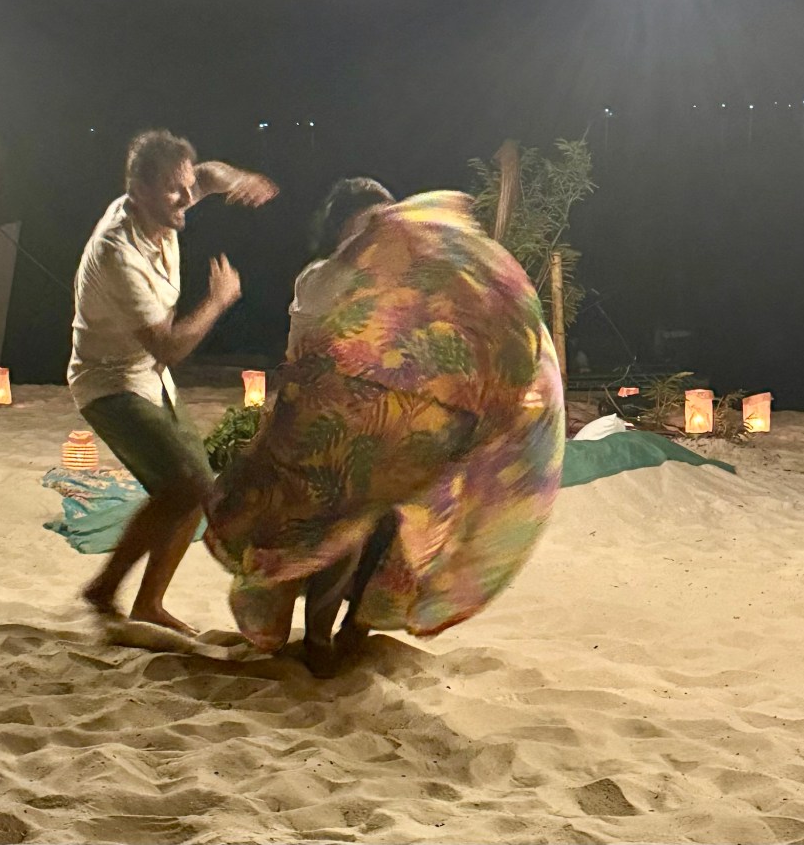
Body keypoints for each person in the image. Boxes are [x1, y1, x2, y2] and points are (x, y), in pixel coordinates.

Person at [204, 179, 565, 676]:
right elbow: (317, 356)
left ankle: (355, 631)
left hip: (400, 435)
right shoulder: (321, 281)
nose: (387, 235)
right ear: (342, 234)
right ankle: (317, 640)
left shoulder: (418, 288)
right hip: (330, 436)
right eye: (371, 226)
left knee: (400, 535)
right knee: (335, 535)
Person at [70, 129, 277, 634]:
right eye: (172, 189)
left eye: (186, 186)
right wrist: (219, 300)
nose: (187, 198)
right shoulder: (117, 252)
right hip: (108, 383)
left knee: (194, 488)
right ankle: (107, 588)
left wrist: (239, 179)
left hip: (150, 378)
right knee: (185, 483)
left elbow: (209, 175)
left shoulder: (170, 200)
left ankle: (142, 602)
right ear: (138, 191)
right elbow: (169, 347)